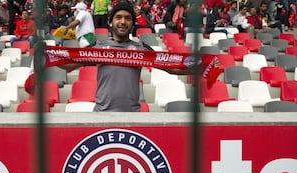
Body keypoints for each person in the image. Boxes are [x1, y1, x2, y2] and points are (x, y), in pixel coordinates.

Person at [54, 2, 203, 112]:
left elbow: (172, 68)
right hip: (101, 115)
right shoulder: (97, 48)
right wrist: (48, 57)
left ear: (133, 23)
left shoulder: (142, 50)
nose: (123, 22)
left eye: (127, 18)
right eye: (118, 17)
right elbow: (69, 66)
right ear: (111, 22)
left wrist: (201, 66)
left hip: (132, 116)